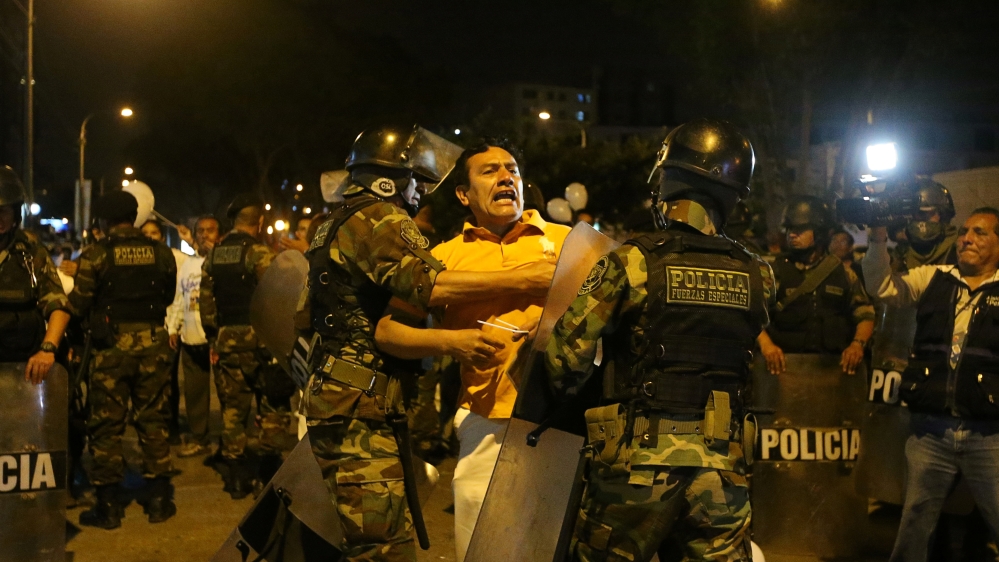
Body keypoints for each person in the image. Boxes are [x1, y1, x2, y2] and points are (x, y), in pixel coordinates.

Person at [302, 125, 555, 560]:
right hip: (363, 407)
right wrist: (524, 279)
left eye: (511, 169)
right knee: (384, 549)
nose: (420, 192)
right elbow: (429, 289)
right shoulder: (383, 219)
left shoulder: (337, 221)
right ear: (391, 178)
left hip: (354, 402)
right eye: (416, 180)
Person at [544, 119, 773, 561]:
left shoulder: (632, 262)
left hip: (637, 468)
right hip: (723, 471)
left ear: (668, 182)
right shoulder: (758, 273)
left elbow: (563, 358)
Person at [374, 138, 570, 561]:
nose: (506, 178)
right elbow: (387, 332)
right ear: (464, 195)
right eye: (490, 171)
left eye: (512, 170)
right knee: (481, 549)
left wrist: (557, 322)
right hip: (486, 420)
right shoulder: (442, 257)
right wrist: (452, 341)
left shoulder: (570, 242)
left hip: (565, 422)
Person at [863, 207, 999, 562]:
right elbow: (881, 286)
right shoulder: (933, 277)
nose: (966, 238)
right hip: (930, 434)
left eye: (980, 233)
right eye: (965, 231)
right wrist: (878, 236)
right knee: (914, 528)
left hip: (990, 435)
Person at [69, 190, 178, 529]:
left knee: (106, 427)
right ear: (134, 218)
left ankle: (109, 507)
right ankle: (159, 501)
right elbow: (168, 295)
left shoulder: (96, 255)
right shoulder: (162, 253)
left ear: (103, 221)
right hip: (153, 346)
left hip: (111, 351)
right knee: (153, 421)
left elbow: (79, 303)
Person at [199, 194, 291, 499]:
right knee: (273, 406)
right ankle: (269, 473)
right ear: (260, 222)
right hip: (263, 343)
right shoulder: (261, 254)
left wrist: (216, 336)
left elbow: (206, 305)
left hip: (228, 342)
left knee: (233, 411)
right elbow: (276, 300)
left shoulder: (213, 256)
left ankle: (236, 477)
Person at [756, 196, 875, 375]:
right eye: (789, 229)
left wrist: (857, 345)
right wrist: (767, 346)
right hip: (784, 370)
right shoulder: (774, 271)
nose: (792, 234)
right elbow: (752, 315)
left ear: (819, 232)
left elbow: (865, 314)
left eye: (800, 229)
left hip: (833, 371)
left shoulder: (843, 272)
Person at [0, 165, 71, 383]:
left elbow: (59, 306)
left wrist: (48, 349)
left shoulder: (31, 254)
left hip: (22, 372)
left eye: (2, 211)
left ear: (15, 215)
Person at [166, 215, 220, 457]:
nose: (204, 235)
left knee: (227, 392)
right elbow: (180, 296)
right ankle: (200, 437)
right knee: (195, 391)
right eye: (200, 231)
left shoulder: (221, 261)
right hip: (191, 336)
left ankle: (231, 441)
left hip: (217, 337)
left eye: (210, 230)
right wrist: (174, 326)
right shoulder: (187, 264)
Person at [891, 179, 959, 271]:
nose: (917, 219)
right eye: (913, 215)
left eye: (923, 214)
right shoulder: (903, 251)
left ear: (941, 214)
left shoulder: (957, 246)